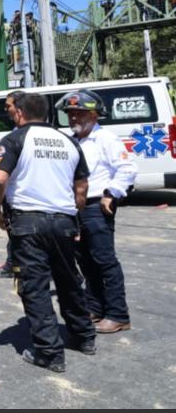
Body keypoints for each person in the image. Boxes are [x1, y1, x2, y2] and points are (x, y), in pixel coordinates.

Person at [0, 92, 94, 372]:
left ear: (20, 112)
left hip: (28, 223)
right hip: (64, 220)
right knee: (69, 280)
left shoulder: (14, 140)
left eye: (12, 110)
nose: (11, 114)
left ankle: (49, 353)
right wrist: (74, 216)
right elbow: (81, 187)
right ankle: (84, 337)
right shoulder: (69, 141)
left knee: (35, 287)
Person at [56, 89, 137, 334]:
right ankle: (95, 308)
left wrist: (111, 193)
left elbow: (128, 168)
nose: (73, 119)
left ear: (93, 114)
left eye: (78, 114)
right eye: (70, 114)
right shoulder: (73, 140)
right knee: (85, 261)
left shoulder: (106, 139)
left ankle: (118, 314)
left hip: (96, 207)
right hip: (77, 208)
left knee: (104, 261)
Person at [0, 90, 26, 279]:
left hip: (21, 201)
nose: (6, 110)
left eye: (8, 106)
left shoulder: (14, 138)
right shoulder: (16, 134)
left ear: (19, 109)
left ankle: (15, 267)